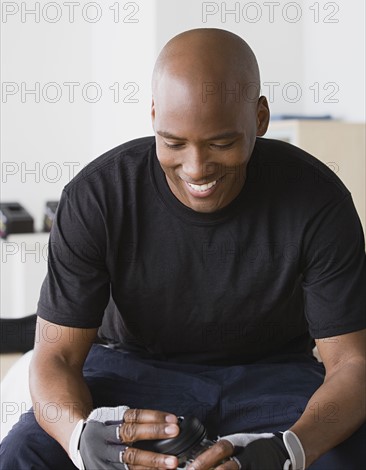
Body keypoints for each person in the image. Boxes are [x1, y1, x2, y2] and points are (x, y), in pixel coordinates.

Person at [1, 28, 365, 469]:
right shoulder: (98, 196)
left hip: (274, 378)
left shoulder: (319, 200)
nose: (196, 169)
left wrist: (293, 449)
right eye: (173, 143)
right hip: (132, 370)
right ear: (154, 115)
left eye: (222, 143)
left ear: (260, 118)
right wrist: (77, 436)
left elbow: (351, 364)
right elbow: (55, 354)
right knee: (26, 452)